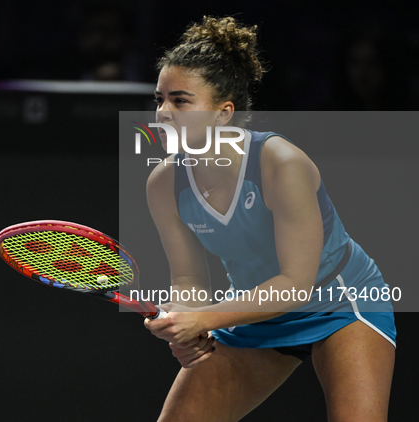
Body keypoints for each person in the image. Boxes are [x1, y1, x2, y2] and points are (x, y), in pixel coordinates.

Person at [143, 16, 396, 422]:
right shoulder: (164, 184)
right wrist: (184, 324)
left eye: (180, 100)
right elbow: (188, 279)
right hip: (254, 310)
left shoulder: (281, 164)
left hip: (339, 303)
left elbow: (296, 285)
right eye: (159, 99)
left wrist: (204, 318)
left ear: (224, 113)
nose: (163, 112)